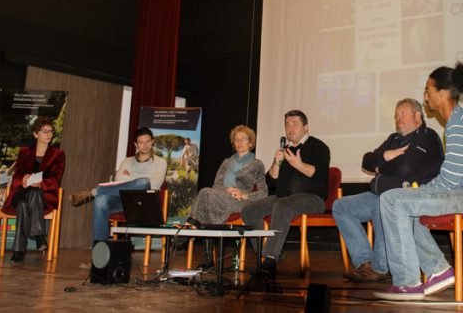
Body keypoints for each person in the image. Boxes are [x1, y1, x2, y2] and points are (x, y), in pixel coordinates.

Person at [373, 63, 463, 301]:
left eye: (428, 90)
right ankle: (437, 270)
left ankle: (408, 283)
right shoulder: (459, 120)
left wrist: (420, 193)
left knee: (393, 200)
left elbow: (450, 179)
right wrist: (419, 195)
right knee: (404, 204)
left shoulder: (459, 122)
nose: (425, 96)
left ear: (443, 93)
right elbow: (451, 178)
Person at [332, 98, 443, 282]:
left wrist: (380, 166)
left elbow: (405, 167)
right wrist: (387, 155)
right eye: (396, 115)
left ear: (417, 116)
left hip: (410, 199)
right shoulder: (394, 139)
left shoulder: (428, 137)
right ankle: (365, 263)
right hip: (380, 194)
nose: (398, 118)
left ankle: (380, 268)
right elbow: (367, 160)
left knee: (383, 203)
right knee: (341, 207)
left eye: (403, 114)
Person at [241, 110, 330, 277]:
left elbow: (317, 173)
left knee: (282, 206)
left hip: (312, 198)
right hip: (283, 197)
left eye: (295, 124)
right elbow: (271, 181)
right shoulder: (285, 149)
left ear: (306, 127)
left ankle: (270, 259)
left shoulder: (318, 147)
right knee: (248, 211)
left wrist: (298, 164)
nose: (290, 128)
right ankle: (268, 252)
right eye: (287, 124)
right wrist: (276, 163)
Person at [69, 126, 167, 242]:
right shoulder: (127, 161)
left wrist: (130, 178)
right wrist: (132, 181)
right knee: (100, 200)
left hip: (145, 203)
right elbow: (118, 178)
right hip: (123, 201)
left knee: (144, 182)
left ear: (152, 141)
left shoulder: (161, 162)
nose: (145, 145)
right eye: (141, 142)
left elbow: (154, 185)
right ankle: (100, 253)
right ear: (135, 144)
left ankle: (95, 191)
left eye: (147, 142)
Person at [190, 125, 267, 268]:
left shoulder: (257, 164)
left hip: (240, 201)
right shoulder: (227, 162)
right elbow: (216, 185)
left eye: (243, 139)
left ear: (251, 143)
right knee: (207, 196)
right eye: (236, 140)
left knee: (205, 193)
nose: (239, 142)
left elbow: (263, 192)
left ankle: (195, 223)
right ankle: (208, 253)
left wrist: (243, 194)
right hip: (222, 197)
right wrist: (227, 189)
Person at [3, 117, 65, 262]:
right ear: (36, 134)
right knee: (25, 199)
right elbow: (16, 176)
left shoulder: (58, 154)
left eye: (51, 131)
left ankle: (18, 250)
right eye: (44, 131)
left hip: (43, 195)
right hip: (21, 192)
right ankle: (39, 235)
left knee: (30, 198)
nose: (49, 134)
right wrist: (23, 181)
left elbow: (56, 180)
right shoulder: (24, 152)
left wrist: (41, 183)